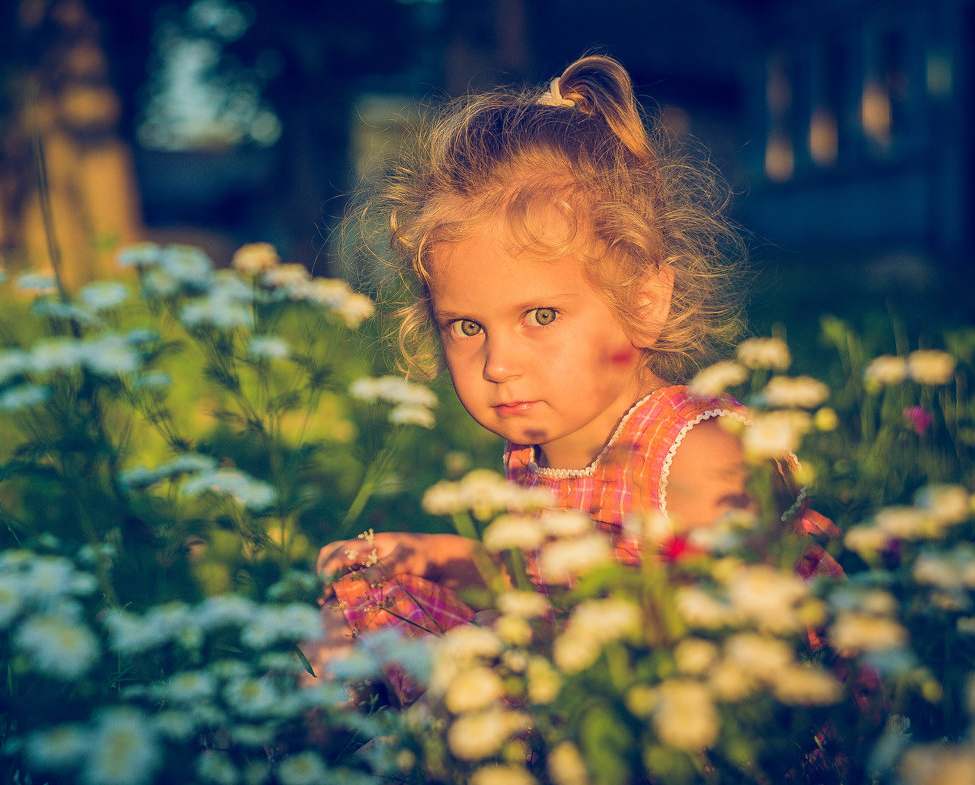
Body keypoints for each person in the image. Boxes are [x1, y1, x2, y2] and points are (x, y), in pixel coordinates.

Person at [303, 54, 839, 697]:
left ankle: (392, 756)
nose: (499, 364)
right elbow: (533, 580)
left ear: (643, 301)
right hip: (570, 686)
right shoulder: (534, 453)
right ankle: (300, 751)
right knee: (361, 588)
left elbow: (730, 630)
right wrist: (431, 553)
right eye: (467, 327)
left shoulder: (695, 453)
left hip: (705, 721)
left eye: (541, 315)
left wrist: (521, 650)